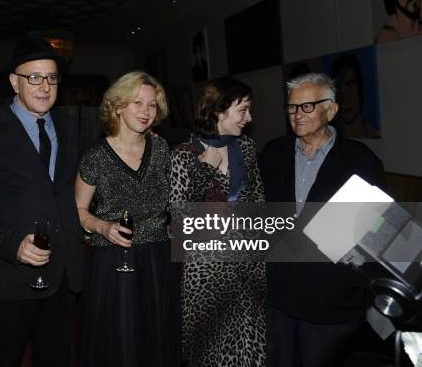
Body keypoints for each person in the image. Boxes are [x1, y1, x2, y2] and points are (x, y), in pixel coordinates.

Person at [0, 37, 84, 367]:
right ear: (14, 81)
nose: (45, 86)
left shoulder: (69, 127)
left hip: (63, 278)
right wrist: (14, 245)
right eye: (34, 77)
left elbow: (71, 192)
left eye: (52, 78)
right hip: (10, 279)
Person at [259, 73, 385, 367]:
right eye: (292, 107)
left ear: (331, 110)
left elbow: (373, 233)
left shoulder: (361, 162)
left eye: (307, 107)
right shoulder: (272, 153)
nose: (297, 115)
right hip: (280, 297)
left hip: (332, 300)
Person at [75, 71, 180, 367]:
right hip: (112, 258)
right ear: (118, 105)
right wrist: (103, 226)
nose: (146, 112)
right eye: (138, 103)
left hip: (158, 256)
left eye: (152, 105)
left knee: (156, 336)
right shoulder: (95, 158)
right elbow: (79, 211)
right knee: (119, 340)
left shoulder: (161, 149)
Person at [170, 77, 266, 367]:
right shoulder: (183, 156)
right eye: (243, 110)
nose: (249, 118)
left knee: (251, 345)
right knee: (211, 350)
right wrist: (204, 169)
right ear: (218, 111)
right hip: (207, 271)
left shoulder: (246, 147)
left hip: (249, 265)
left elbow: (259, 200)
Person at [329, 54, 380, 139]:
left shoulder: (374, 134)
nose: (345, 98)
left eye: (350, 86)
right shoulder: (330, 138)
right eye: (338, 89)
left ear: (359, 89)